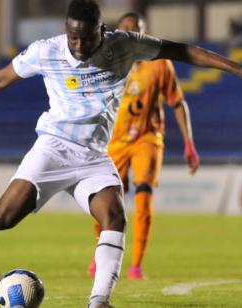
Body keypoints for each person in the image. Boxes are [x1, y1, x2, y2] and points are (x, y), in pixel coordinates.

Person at [0, 1, 242, 307]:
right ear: (66, 31)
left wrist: (236, 67)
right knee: (2, 218)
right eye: (73, 36)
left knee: (114, 216)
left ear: (102, 29)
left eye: (86, 36)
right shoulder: (47, 51)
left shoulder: (125, 44)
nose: (78, 45)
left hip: (94, 156)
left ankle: (99, 300)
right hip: (53, 147)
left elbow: (181, 50)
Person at [86, 12, 200, 280]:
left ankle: (136, 264)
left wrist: (189, 144)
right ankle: (100, 253)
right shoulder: (109, 64)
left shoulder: (160, 66)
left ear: (143, 34)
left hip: (148, 140)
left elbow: (177, 103)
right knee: (103, 202)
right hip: (115, 143)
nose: (131, 35)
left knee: (144, 197)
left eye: (136, 30)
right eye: (126, 30)